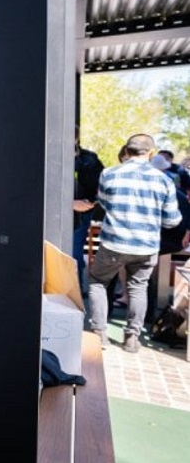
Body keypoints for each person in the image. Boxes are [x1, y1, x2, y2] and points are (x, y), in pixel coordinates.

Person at [88, 134, 181, 353]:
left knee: (97, 282)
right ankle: (132, 337)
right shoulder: (164, 180)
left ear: (127, 151)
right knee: (138, 287)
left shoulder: (109, 173)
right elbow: (172, 220)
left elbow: (103, 202)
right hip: (146, 246)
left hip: (114, 242)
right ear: (151, 153)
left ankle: (99, 334)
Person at [72, 129, 104, 292]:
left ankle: (76, 288)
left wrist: (91, 201)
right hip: (58, 209)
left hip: (82, 212)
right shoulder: (48, 154)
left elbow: (99, 183)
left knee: (75, 252)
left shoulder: (89, 159)